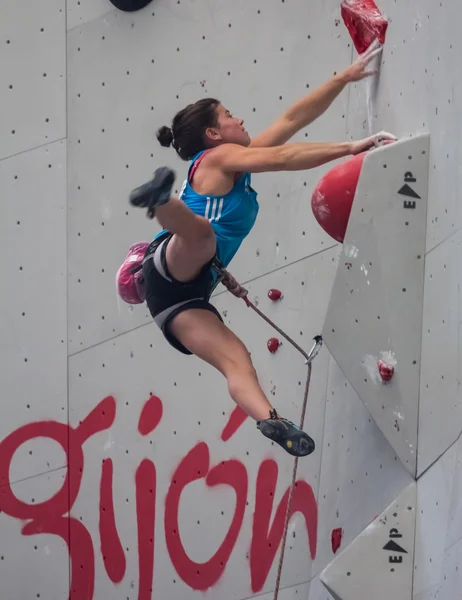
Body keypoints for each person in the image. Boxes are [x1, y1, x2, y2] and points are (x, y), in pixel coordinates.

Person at [129, 40, 396, 457]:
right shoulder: (217, 161)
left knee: (236, 358)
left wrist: (344, 77)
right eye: (229, 115)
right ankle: (160, 202)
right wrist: (351, 147)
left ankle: (271, 418)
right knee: (201, 236)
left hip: (179, 300)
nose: (240, 118)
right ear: (214, 134)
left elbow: (292, 119)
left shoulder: (234, 158)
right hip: (173, 261)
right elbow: (286, 156)